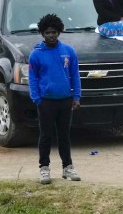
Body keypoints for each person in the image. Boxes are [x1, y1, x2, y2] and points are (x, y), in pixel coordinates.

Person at [28, 14, 82, 185]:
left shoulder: (68, 51)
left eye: (54, 32)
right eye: (47, 32)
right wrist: (37, 99)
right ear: (42, 34)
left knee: (64, 135)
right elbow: (33, 78)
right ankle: (44, 168)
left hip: (65, 100)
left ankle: (68, 166)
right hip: (46, 101)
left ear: (59, 32)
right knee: (45, 135)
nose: (51, 35)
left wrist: (76, 96)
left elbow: (75, 75)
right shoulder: (36, 55)